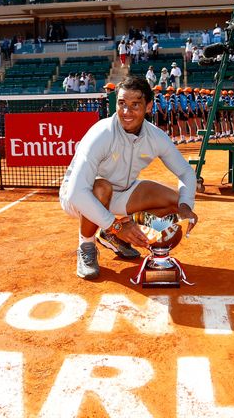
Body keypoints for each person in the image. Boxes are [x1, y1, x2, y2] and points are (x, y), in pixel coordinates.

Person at [59, 76, 198, 280]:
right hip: (81, 195)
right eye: (122, 104)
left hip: (124, 193)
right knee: (102, 188)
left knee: (175, 208)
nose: (126, 112)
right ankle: (86, 246)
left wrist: (186, 204)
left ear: (149, 106)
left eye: (135, 105)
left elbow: (185, 171)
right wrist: (116, 226)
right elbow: (77, 192)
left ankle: (109, 235)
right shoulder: (101, 133)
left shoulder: (156, 136)